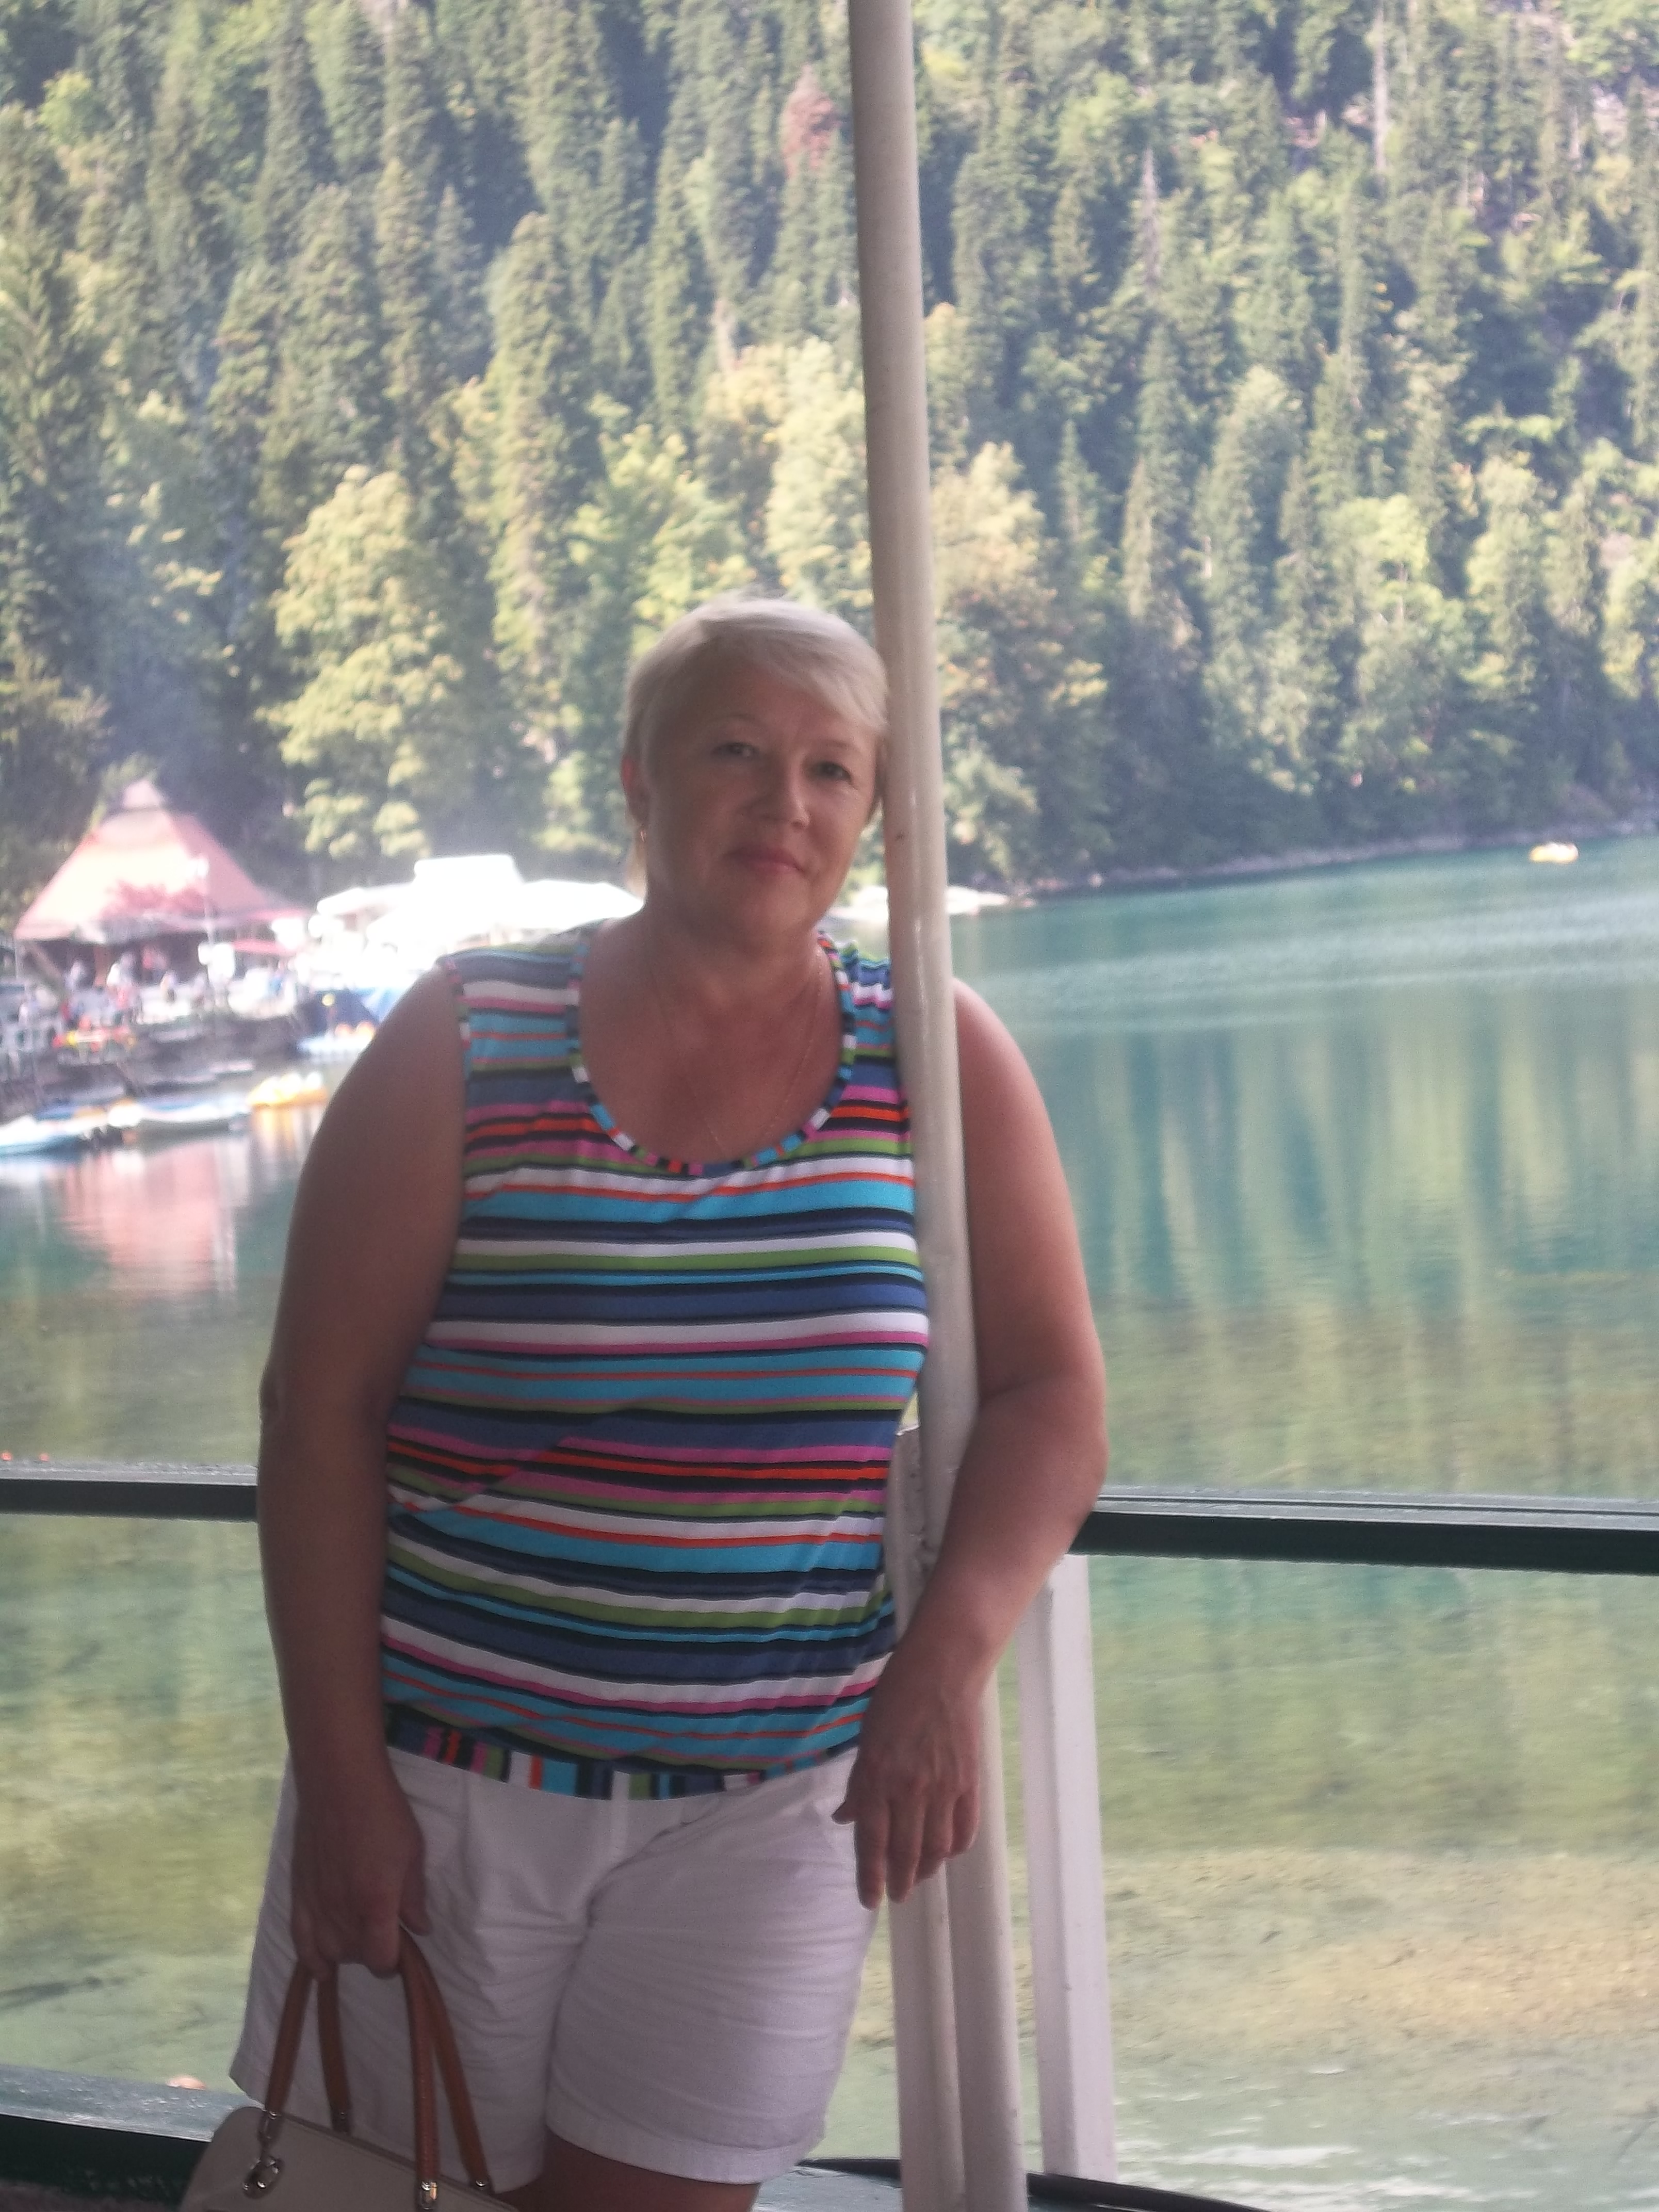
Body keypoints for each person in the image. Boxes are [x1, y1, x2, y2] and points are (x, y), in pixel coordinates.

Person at [233, 596, 1107, 2212]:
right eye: (737, 752)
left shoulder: (930, 1054)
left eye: (833, 770)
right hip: (447, 1787)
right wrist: (343, 1784)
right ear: (640, 780)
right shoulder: (467, 1034)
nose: (787, 803)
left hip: (771, 1810)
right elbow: (317, 1413)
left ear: (874, 814)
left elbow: (1055, 1396)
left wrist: (944, 1666)